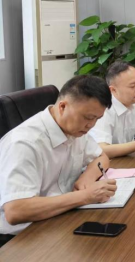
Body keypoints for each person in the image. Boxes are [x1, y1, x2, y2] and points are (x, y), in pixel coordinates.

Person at [0, 75, 117, 246]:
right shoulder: (24, 143)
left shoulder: (75, 129)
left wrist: (87, 177)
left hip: (61, 217)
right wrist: (84, 196)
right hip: (22, 237)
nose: (91, 125)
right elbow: (16, 210)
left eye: (97, 119)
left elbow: (101, 157)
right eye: (88, 117)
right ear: (62, 107)